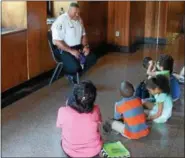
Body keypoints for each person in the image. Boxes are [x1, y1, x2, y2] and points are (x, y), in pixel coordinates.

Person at [51, 2, 96, 84]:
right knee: (75, 67)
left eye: (78, 12)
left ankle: (75, 75)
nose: (77, 15)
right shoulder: (61, 20)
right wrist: (71, 51)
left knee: (92, 58)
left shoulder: (79, 20)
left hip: (78, 47)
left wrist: (86, 46)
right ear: (69, 11)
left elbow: (84, 35)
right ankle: (71, 74)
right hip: (64, 49)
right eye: (75, 12)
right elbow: (56, 41)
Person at [56, 81, 102, 157]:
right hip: (93, 152)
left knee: (62, 139)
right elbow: (99, 123)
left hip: (70, 151)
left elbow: (60, 126)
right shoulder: (96, 110)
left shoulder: (62, 111)